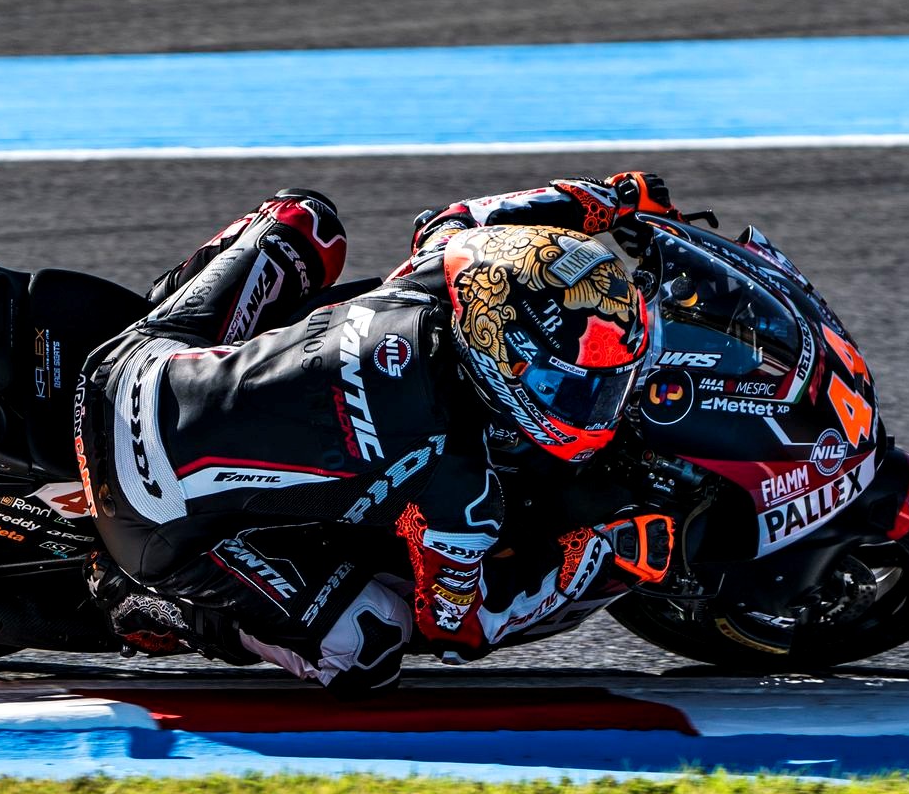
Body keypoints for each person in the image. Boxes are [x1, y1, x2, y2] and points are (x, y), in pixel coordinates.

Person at [73, 174, 681, 696]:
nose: (589, 404)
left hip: (130, 360)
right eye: (566, 384)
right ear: (502, 354)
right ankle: (157, 606)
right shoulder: (459, 485)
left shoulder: (440, 269)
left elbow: (464, 216)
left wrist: (609, 198)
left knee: (306, 220)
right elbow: (458, 629)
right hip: (146, 509)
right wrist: (599, 558)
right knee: (371, 645)